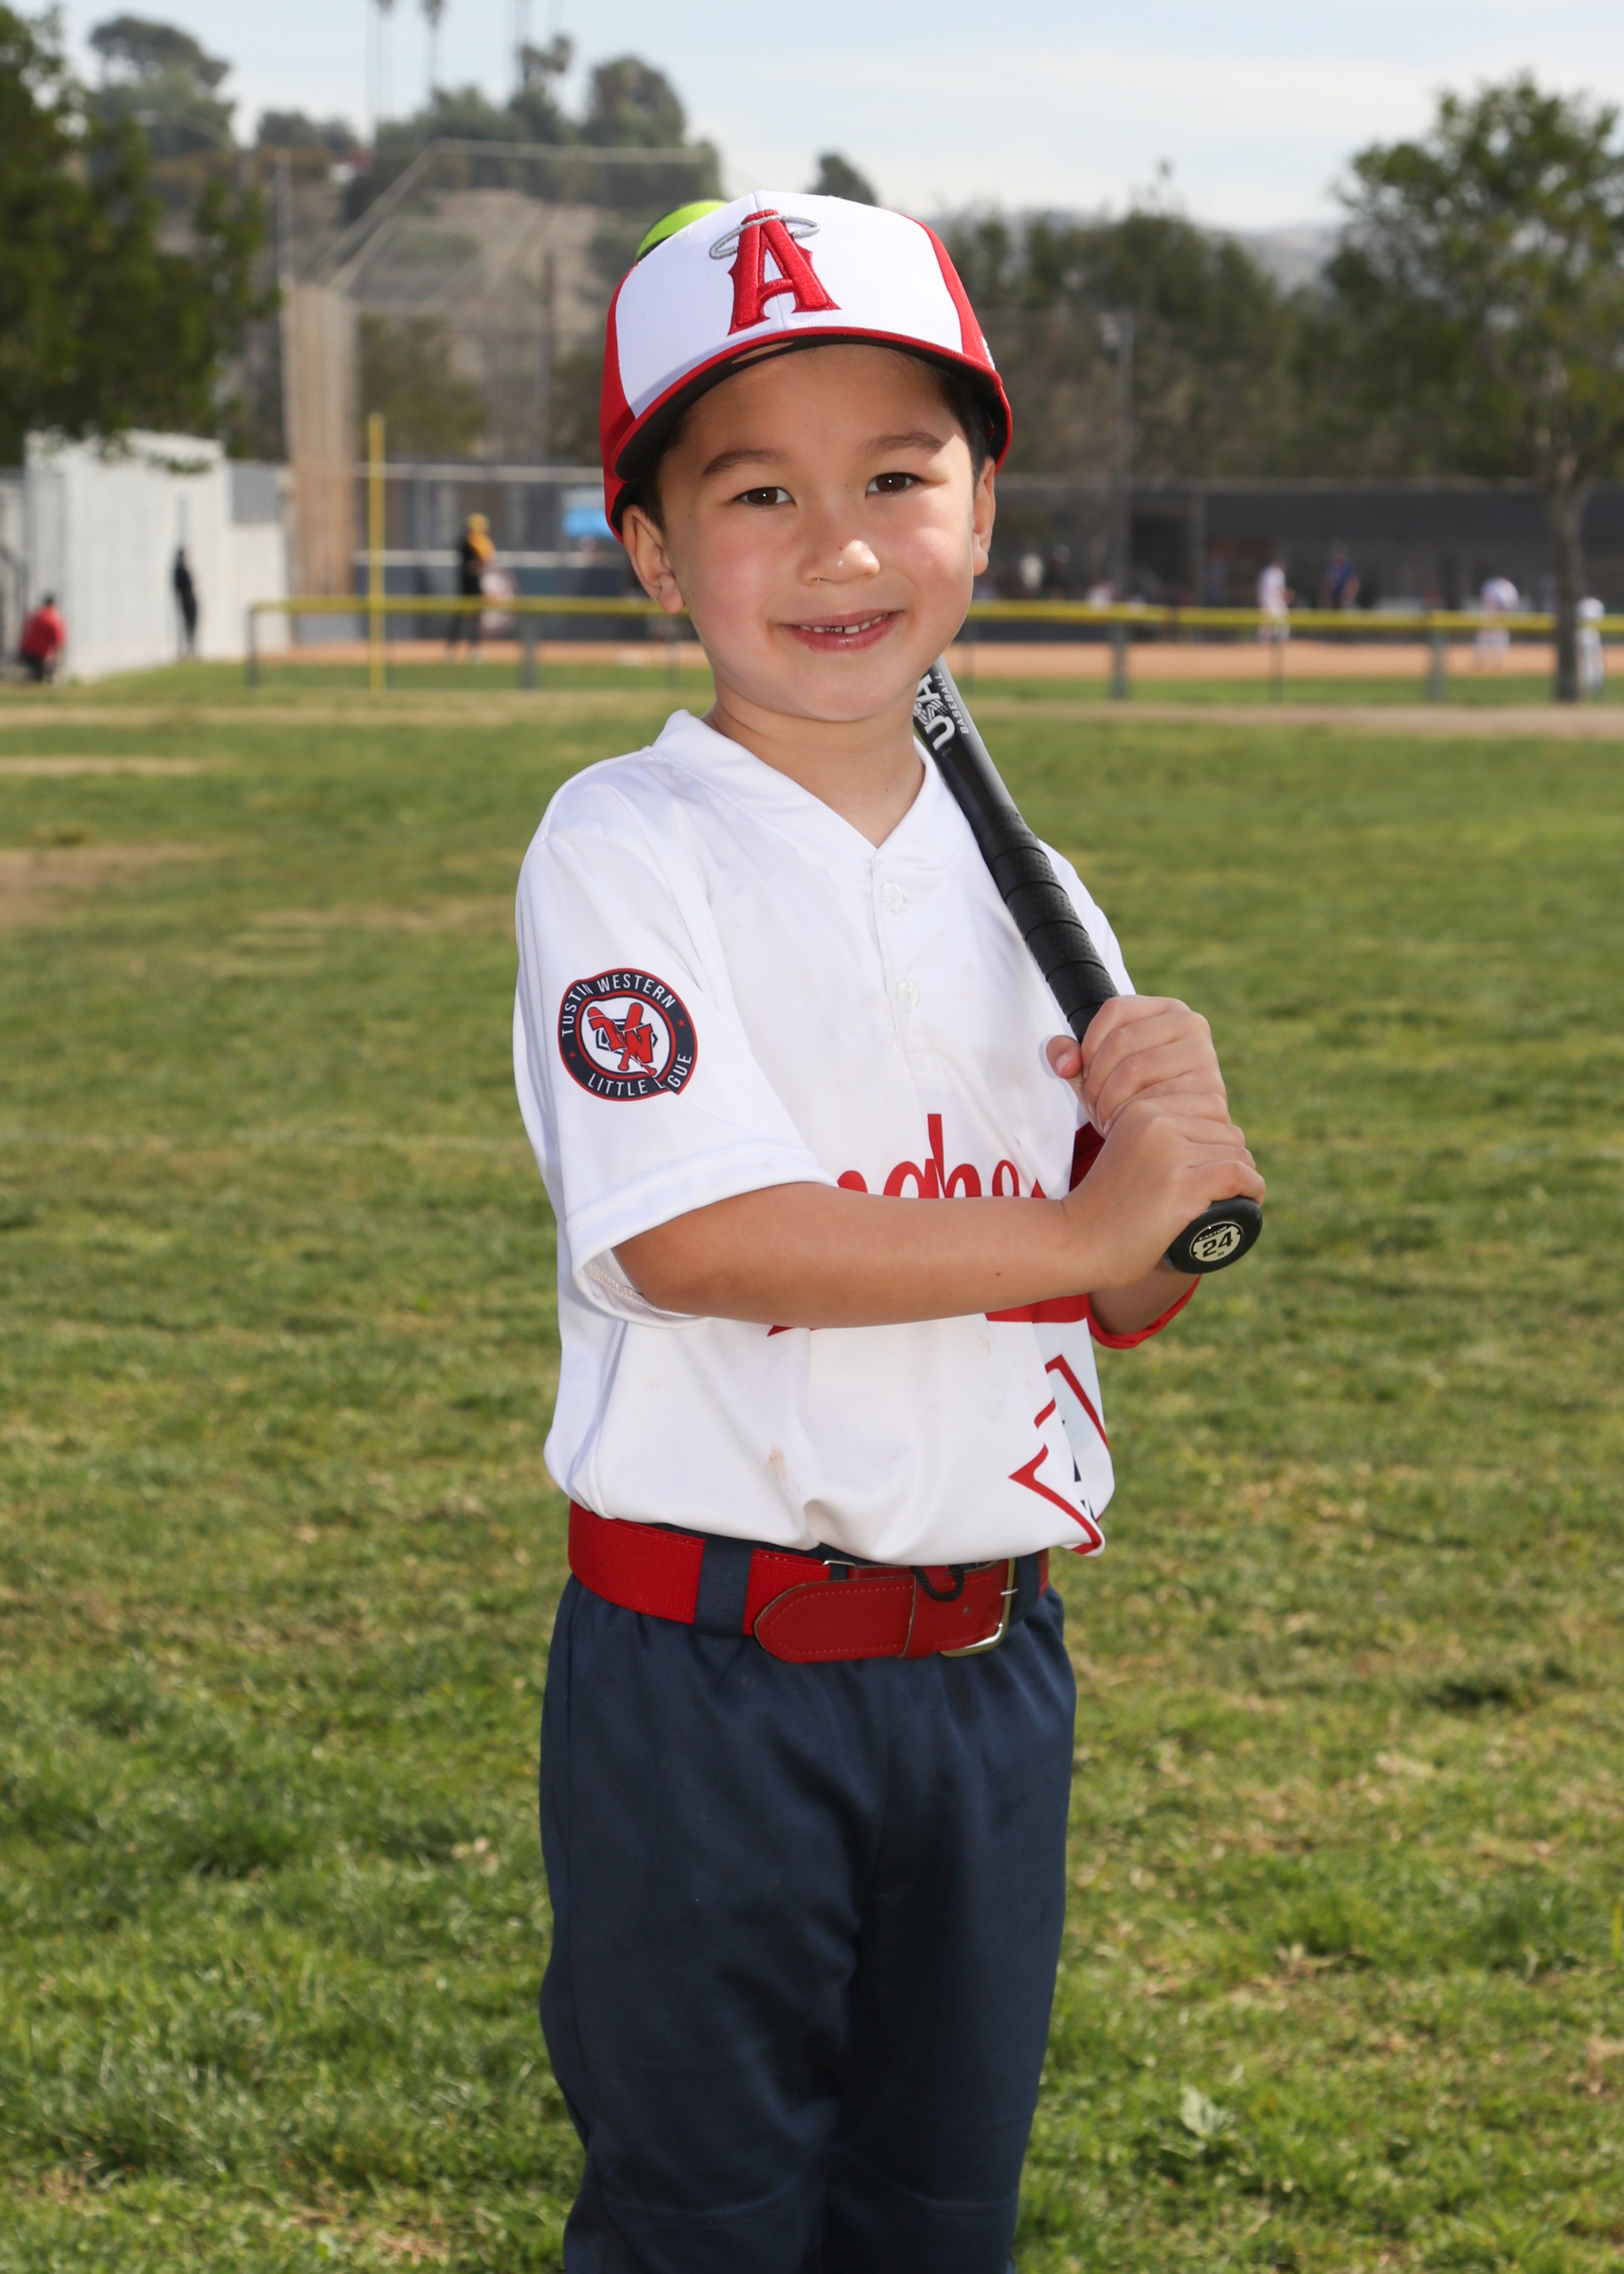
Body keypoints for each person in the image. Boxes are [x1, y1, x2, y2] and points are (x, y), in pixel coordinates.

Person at [513, 191, 1263, 2274]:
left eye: (896, 479)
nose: (839, 546)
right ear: (652, 549)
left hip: (989, 1670)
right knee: (703, 2223)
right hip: (709, 1677)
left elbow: (1121, 1300)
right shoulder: (626, 841)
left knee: (937, 2219)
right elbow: (699, 1237)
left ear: (980, 511)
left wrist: (1166, 1188)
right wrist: (1088, 1216)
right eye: (756, 491)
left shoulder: (1038, 886)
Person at [449, 512, 495, 653]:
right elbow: (470, 567)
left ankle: (473, 648)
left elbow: (485, 562)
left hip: (475, 587)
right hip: (467, 587)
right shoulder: (466, 544)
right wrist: (479, 562)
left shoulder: (480, 542)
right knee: (461, 619)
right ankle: (452, 648)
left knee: (475, 619)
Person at [17, 594, 65, 682]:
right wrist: (54, 662)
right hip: (39, 656)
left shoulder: (35, 615)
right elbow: (58, 643)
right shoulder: (54, 619)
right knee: (40, 678)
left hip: (25, 652)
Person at [1475, 572, 1518, 668]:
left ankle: (1483, 659)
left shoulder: (1490, 584)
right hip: (1496, 615)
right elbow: (1513, 604)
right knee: (1498, 638)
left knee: (1486, 638)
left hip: (1491, 614)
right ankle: (1496, 660)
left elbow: (1482, 599)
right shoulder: (1508, 587)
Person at [1257, 555, 1292, 641]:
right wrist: (1287, 595)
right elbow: (1273, 590)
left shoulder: (1271, 572)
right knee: (1268, 622)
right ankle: (1265, 641)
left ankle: (1278, 640)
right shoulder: (1271, 573)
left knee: (1280, 620)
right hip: (1270, 600)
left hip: (1274, 601)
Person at [172, 547, 198, 656]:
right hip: (186, 598)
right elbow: (177, 587)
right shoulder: (179, 569)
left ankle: (191, 648)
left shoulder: (182, 568)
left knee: (192, 623)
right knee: (187, 624)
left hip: (189, 597)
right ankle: (187, 649)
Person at [1579, 594, 1605, 694]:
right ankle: (1595, 684)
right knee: (1595, 661)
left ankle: (1588, 684)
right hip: (1593, 635)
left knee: (1585, 662)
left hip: (1584, 635)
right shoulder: (1598, 604)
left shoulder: (1581, 604)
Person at [1320, 543, 1359, 609]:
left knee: (1353, 585)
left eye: (1340, 553)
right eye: (1337, 553)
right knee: (1325, 589)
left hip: (1345, 595)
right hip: (1332, 596)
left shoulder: (1349, 566)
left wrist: (1347, 591)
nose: (1338, 556)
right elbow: (1326, 584)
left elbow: (1355, 582)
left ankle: (1346, 605)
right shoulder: (1329, 566)